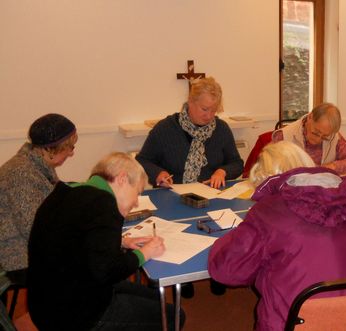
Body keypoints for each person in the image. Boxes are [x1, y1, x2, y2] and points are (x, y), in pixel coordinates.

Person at [208, 141, 346, 330]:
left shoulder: (268, 211)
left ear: (267, 177)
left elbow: (226, 270)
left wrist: (227, 242)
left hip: (296, 323)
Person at [27, 152, 182, 331]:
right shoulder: (104, 204)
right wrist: (144, 253)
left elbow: (73, 240)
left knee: (156, 299)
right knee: (172, 316)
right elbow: (108, 271)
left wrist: (122, 242)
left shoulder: (69, 190)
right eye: (137, 193)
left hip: (46, 302)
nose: (136, 203)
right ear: (122, 179)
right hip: (75, 313)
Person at [0, 113, 77, 286]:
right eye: (70, 147)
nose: (72, 153)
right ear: (52, 149)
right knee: (89, 265)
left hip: (31, 248)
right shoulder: (21, 173)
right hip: (18, 258)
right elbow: (36, 231)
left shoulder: (37, 164)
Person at [136, 76, 243, 189]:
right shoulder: (165, 128)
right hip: (172, 196)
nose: (209, 116)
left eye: (214, 110)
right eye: (204, 109)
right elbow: (142, 161)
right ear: (190, 102)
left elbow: (237, 163)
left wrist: (222, 172)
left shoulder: (221, 129)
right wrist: (158, 174)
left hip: (212, 196)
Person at [272, 102, 346, 174]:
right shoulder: (284, 136)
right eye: (316, 133)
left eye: (325, 137)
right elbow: (270, 169)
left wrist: (330, 167)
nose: (318, 140)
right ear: (310, 117)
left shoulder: (334, 137)